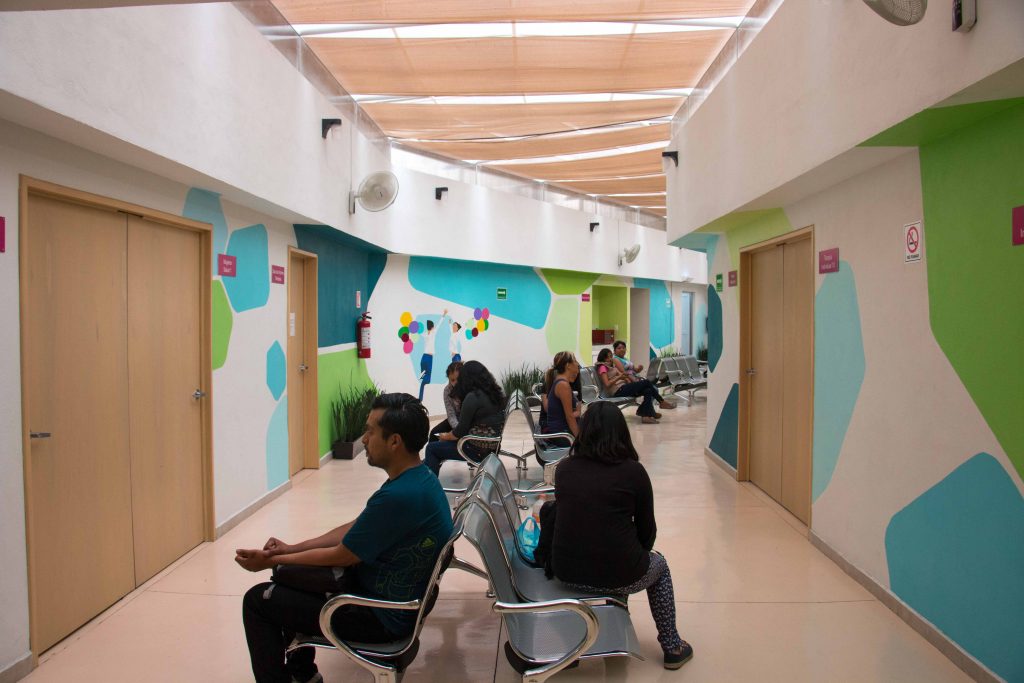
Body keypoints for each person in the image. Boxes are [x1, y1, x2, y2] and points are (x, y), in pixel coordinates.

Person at [238, 393, 453, 683]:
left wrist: (270, 561)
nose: (364, 439)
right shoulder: (419, 478)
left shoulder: (401, 495)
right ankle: (304, 676)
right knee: (289, 575)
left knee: (258, 601)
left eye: (370, 431)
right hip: (380, 598)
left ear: (394, 441)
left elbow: (342, 554)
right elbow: (355, 528)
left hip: (378, 616)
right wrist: (289, 550)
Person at [551, 402, 693, 670]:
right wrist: (635, 554)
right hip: (620, 572)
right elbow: (647, 530)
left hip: (567, 571)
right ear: (621, 432)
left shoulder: (565, 468)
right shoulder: (633, 472)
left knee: (615, 552)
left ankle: (596, 628)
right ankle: (672, 645)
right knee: (658, 566)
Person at [423, 360, 505, 476]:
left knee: (431, 448)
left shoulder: (473, 397)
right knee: (436, 435)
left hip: (475, 449)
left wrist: (445, 436)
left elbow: (459, 432)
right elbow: (455, 418)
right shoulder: (495, 393)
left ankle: (429, 485)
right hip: (492, 448)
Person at [595, 348, 672, 424]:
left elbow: (621, 375)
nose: (610, 359)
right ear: (603, 358)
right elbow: (607, 384)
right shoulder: (602, 367)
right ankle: (661, 402)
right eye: (608, 357)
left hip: (623, 387)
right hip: (617, 391)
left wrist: (626, 377)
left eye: (611, 356)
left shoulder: (611, 366)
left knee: (648, 390)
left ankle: (646, 416)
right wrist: (619, 377)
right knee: (646, 382)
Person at [541, 351, 581, 437]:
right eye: (575, 361)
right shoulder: (563, 385)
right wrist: (579, 439)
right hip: (563, 434)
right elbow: (569, 417)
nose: (577, 364)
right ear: (568, 365)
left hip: (561, 430)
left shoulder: (561, 382)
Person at [429, 361, 463, 442]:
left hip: (468, 422)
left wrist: (458, 433)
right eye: (452, 380)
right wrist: (457, 430)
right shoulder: (447, 391)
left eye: (458, 379)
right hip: (455, 421)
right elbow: (451, 415)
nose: (455, 383)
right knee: (434, 433)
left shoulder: (470, 388)